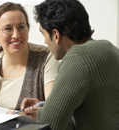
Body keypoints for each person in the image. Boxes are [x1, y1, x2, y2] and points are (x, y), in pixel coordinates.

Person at [21, 0, 119, 129]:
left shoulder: (77, 57)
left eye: (43, 33)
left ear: (55, 35)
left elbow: (50, 125)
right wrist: (46, 108)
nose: (44, 41)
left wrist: (38, 116)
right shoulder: (108, 47)